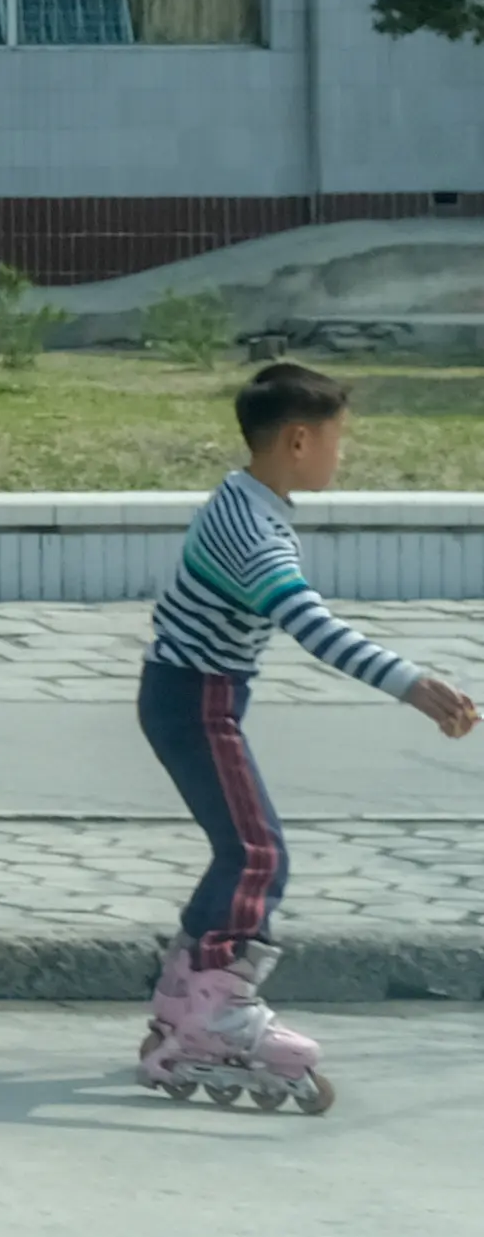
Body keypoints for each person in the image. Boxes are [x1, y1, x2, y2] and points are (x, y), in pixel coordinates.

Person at [130, 362, 480, 1104]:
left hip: (186, 692)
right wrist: (412, 684)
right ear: (296, 439)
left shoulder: (241, 497)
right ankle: (219, 1010)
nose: (339, 454)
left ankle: (184, 994)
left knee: (240, 847)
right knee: (258, 852)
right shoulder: (256, 535)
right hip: (196, 699)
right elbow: (313, 626)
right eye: (335, 439)